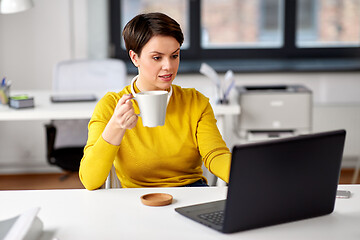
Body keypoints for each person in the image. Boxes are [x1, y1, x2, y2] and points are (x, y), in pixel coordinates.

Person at [79, 12, 231, 190]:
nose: (169, 66)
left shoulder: (195, 101)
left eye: (174, 56)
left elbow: (215, 155)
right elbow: (90, 180)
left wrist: (248, 176)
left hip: (192, 193)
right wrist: (115, 127)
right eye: (157, 57)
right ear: (135, 58)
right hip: (138, 200)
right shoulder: (112, 105)